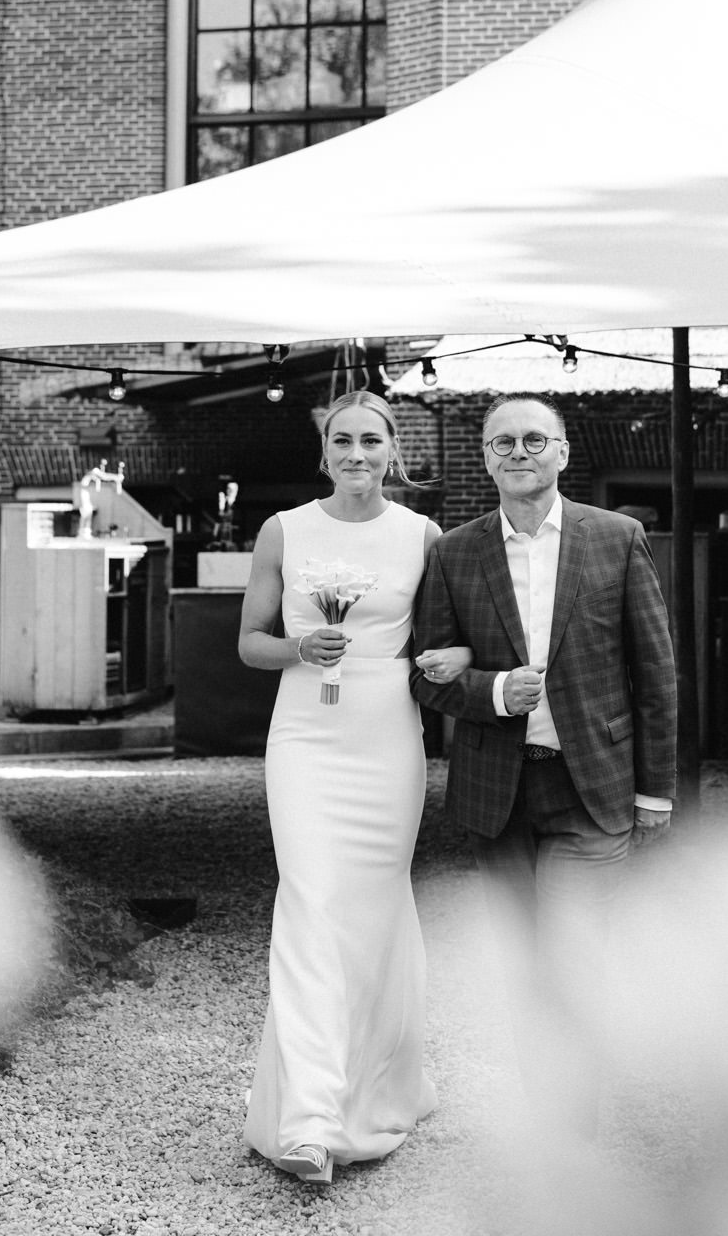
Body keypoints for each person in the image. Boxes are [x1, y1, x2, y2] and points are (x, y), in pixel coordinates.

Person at [410, 392, 678, 1133]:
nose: (518, 453)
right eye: (502, 443)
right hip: (498, 793)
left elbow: (654, 673)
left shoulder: (615, 537)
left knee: (570, 959)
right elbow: (422, 675)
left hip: (592, 785)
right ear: (485, 458)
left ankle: (573, 1134)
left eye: (533, 440)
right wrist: (493, 691)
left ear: (561, 453)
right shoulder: (455, 551)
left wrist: (655, 789)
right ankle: (548, 1123)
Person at [238, 388, 470, 1184]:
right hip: (304, 733)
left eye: (371, 440)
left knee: (373, 907)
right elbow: (249, 645)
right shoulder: (283, 530)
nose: (357, 455)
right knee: (309, 900)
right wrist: (303, 648)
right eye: (342, 441)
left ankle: (387, 1078)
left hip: (385, 737)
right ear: (325, 449)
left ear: (391, 448)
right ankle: (307, 1115)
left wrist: (461, 662)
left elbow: (452, 638)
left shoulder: (423, 535)